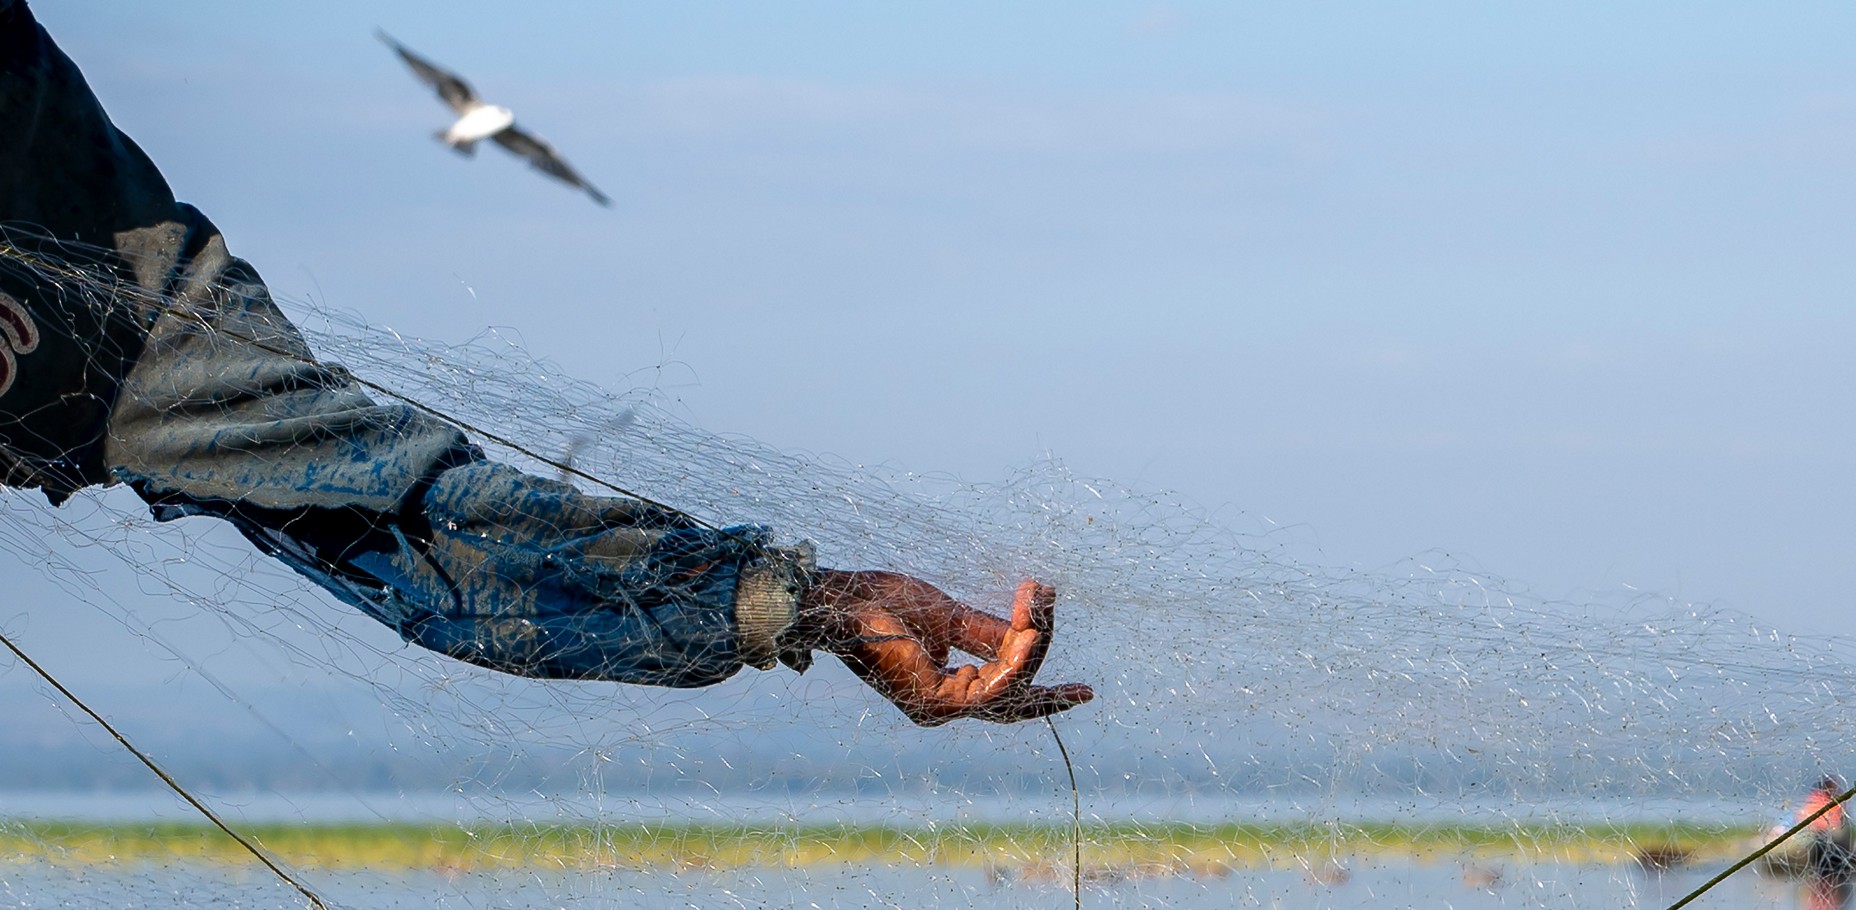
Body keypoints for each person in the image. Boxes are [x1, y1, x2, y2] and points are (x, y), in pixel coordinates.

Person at [0, 0, 1091, 728]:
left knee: (427, 544)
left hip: (123, 336)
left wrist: (801, 604)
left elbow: (456, 553)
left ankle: (834, 606)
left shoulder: (168, 352)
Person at [1795, 776, 1854, 879]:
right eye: (1833, 787)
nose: (1835, 789)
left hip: (1828, 838)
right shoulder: (1817, 800)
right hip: (1819, 837)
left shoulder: (1835, 802)